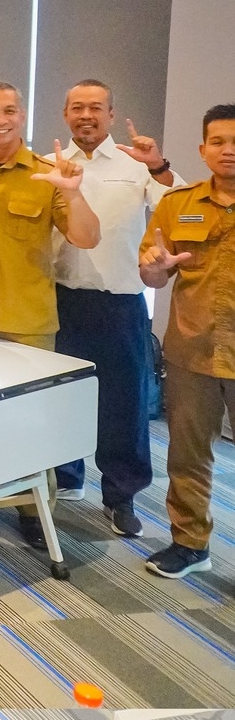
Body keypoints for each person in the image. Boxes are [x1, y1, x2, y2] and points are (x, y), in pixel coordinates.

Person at [0, 81, 100, 549]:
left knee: (31, 423)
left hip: (27, 322)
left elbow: (87, 238)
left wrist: (73, 194)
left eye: (9, 110)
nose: (0, 119)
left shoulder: (48, 175)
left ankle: (33, 511)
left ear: (23, 115)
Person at [49, 81, 181, 537]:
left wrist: (159, 166)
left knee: (123, 402)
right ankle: (65, 476)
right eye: (77, 107)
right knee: (60, 395)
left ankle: (121, 494)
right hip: (61, 299)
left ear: (110, 114)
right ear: (65, 114)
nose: (86, 115)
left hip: (121, 302)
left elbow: (176, 205)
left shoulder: (136, 164)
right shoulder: (48, 164)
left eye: (96, 108)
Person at [138, 103, 235, 579]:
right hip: (192, 349)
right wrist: (155, 268)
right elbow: (152, 275)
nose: (228, 150)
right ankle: (190, 544)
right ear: (202, 149)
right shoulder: (179, 204)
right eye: (218, 141)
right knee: (188, 454)